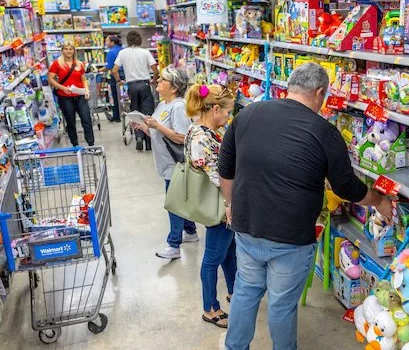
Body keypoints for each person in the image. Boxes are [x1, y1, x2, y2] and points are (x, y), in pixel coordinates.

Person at [220, 63, 394, 350]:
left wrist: (231, 205)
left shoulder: (248, 114)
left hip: (247, 226)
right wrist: (379, 201)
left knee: (245, 293)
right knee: (281, 305)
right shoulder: (324, 132)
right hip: (291, 237)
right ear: (320, 92)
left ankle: (234, 347)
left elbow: (226, 169)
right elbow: (346, 188)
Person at [185, 83, 237, 329]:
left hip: (220, 203)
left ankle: (235, 293)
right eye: (227, 112)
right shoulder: (202, 137)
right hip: (218, 207)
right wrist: (232, 201)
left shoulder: (202, 130)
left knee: (229, 251)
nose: (229, 117)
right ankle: (210, 308)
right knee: (212, 258)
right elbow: (218, 177)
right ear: (215, 109)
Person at [135, 67, 199, 260]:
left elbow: (182, 137)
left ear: (173, 87)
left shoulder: (178, 107)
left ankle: (173, 245)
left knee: (174, 204)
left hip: (176, 165)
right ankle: (191, 231)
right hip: (166, 163)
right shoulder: (163, 104)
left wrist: (158, 126)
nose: (157, 82)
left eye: (162, 80)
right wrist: (144, 127)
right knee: (181, 200)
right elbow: (160, 134)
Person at [112, 31, 157, 151]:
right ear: (139, 39)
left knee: (135, 112)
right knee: (147, 112)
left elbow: (114, 70)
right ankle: (149, 142)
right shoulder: (145, 52)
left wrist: (119, 81)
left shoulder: (122, 53)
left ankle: (138, 136)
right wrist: (154, 79)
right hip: (144, 84)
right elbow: (155, 69)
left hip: (131, 86)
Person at [47, 44, 94, 147]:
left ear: (74, 51)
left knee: (86, 119)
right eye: (66, 49)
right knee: (70, 122)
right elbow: (50, 79)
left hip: (80, 95)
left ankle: (91, 143)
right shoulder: (57, 64)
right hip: (65, 97)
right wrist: (62, 87)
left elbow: (83, 79)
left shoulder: (79, 64)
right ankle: (75, 144)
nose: (68, 51)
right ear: (62, 51)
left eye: (71, 49)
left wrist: (86, 90)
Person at [103, 34, 123, 122]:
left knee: (116, 97)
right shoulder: (123, 50)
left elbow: (108, 67)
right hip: (125, 75)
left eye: (107, 41)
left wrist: (98, 70)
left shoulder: (111, 52)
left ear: (112, 42)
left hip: (116, 76)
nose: (105, 42)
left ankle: (116, 116)